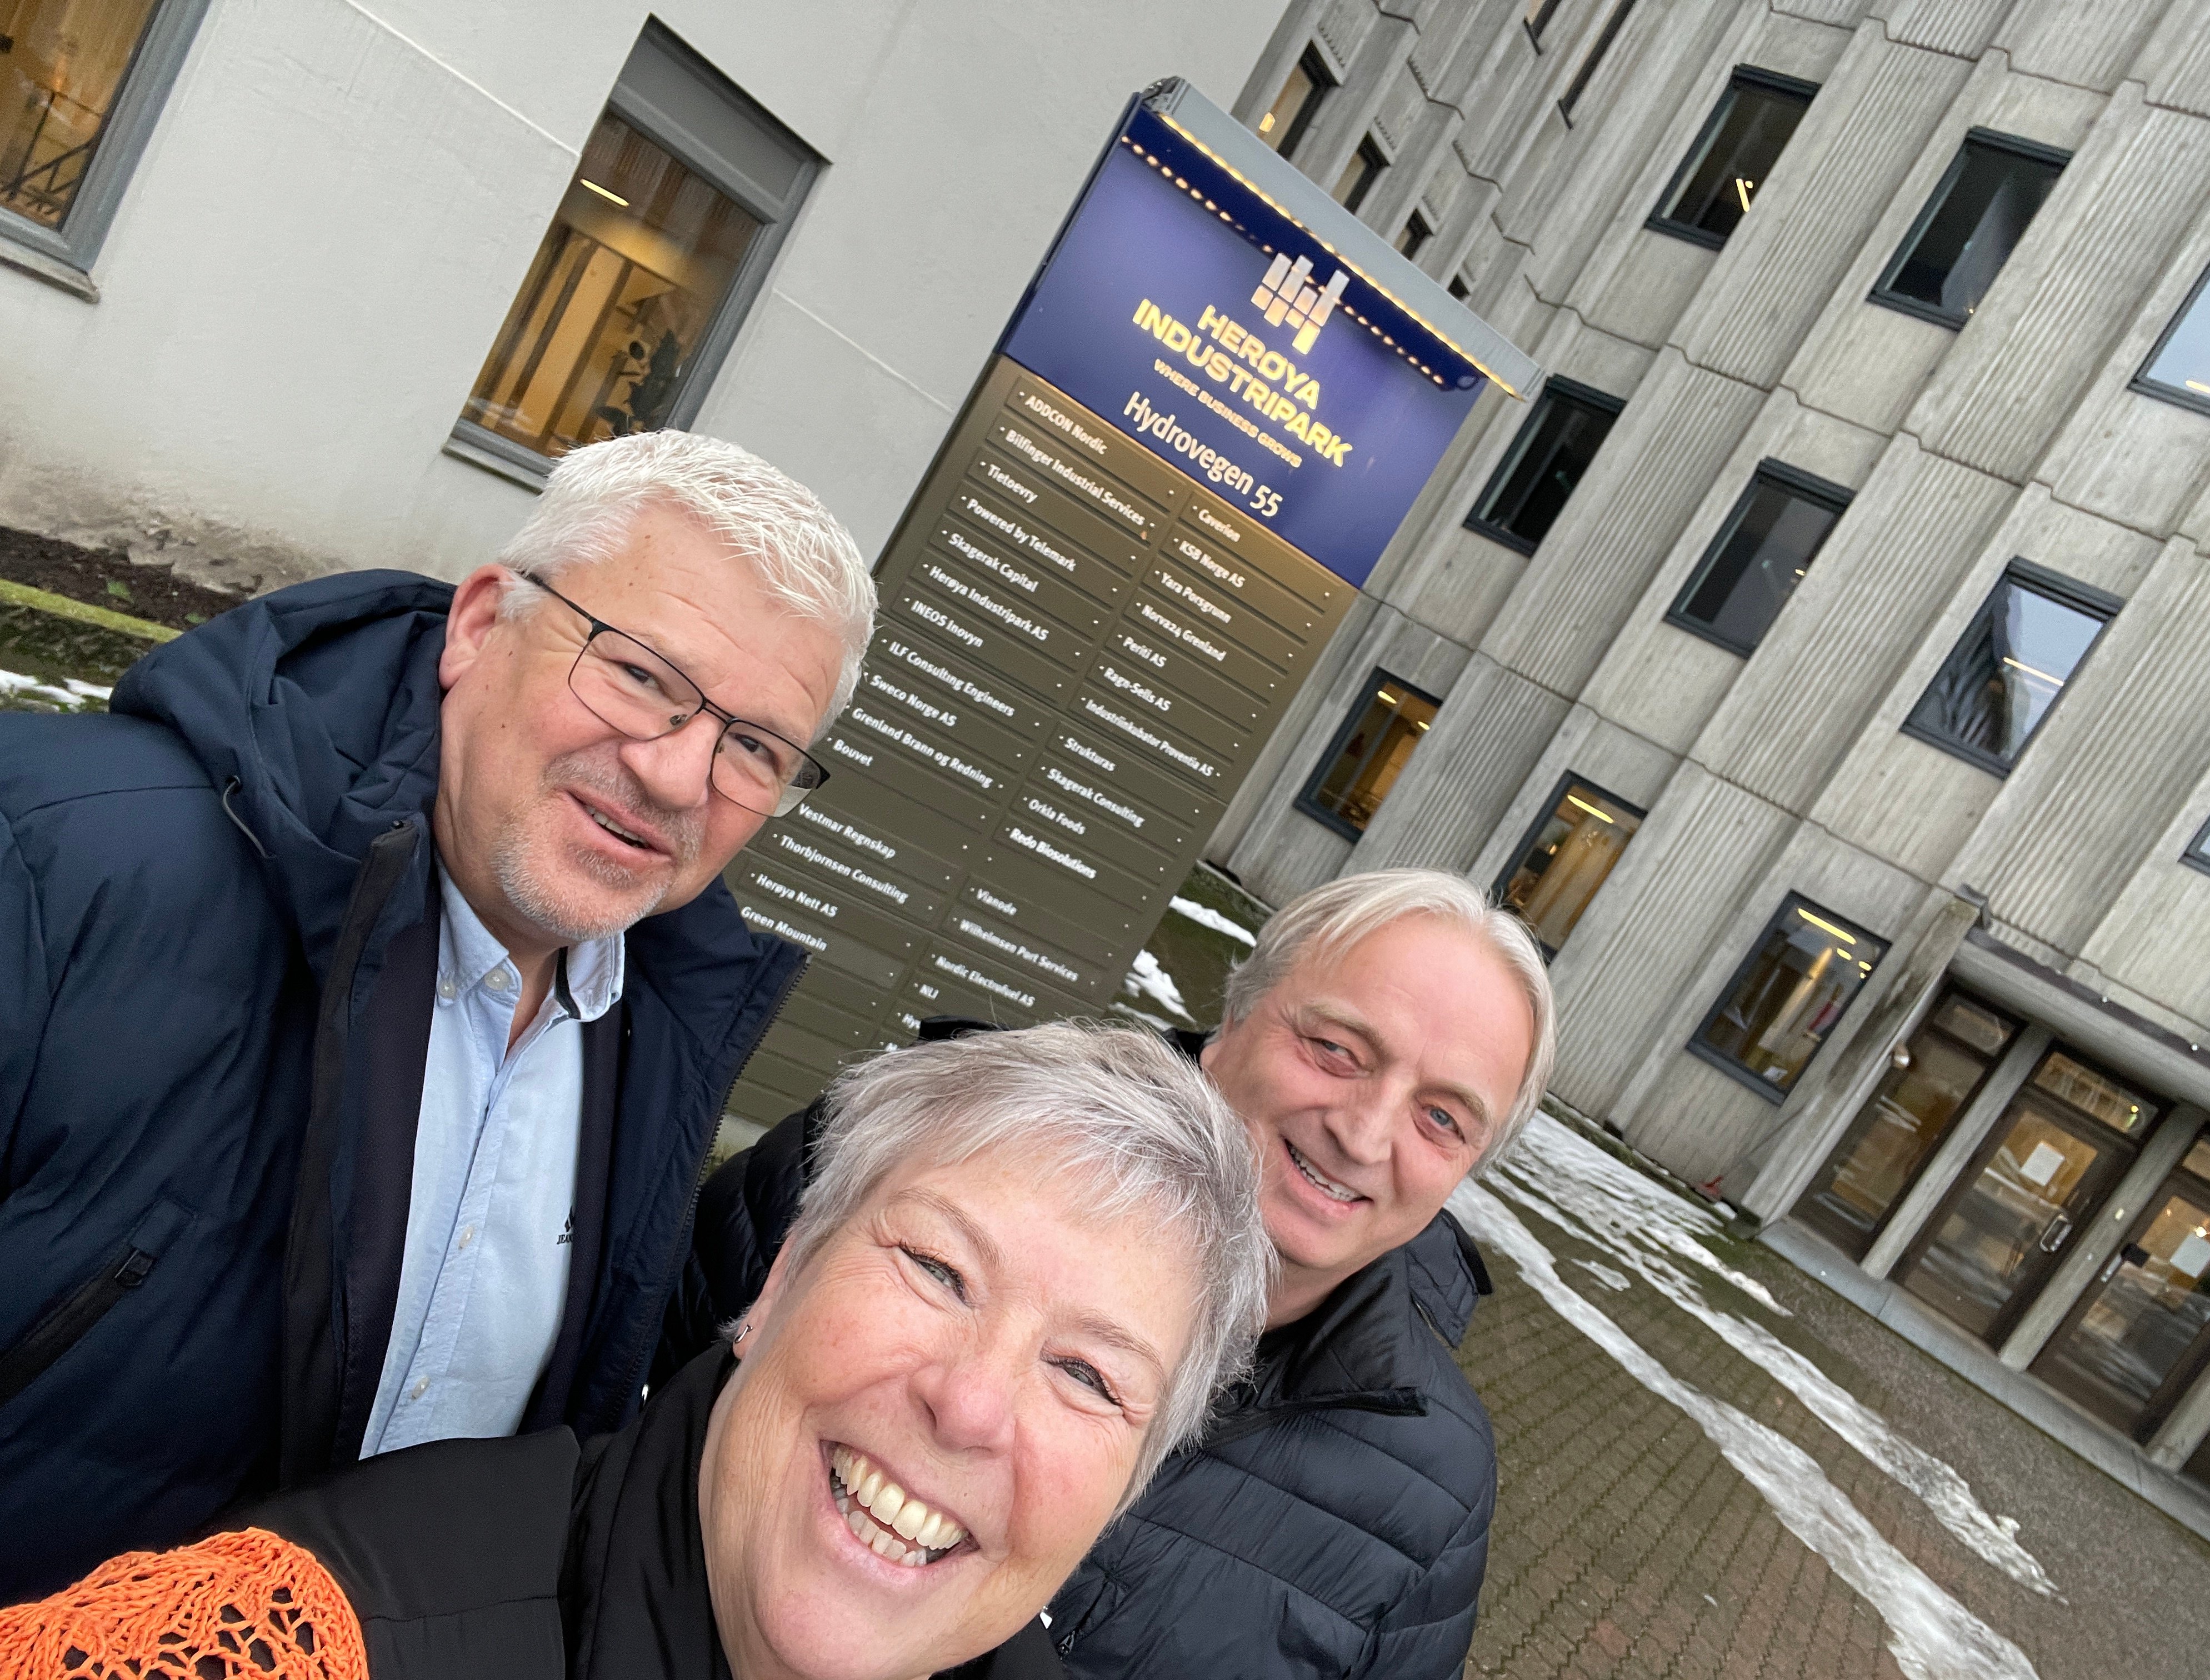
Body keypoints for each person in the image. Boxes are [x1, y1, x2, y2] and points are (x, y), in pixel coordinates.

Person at [0, 431, 876, 1603]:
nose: (677, 777)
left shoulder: (661, 1031)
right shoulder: (58, 859)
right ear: (479, 625)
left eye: (753, 748)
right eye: (639, 675)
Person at [0, 1023, 1273, 1680]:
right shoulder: (304, 1642)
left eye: (1090, 1377)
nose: (972, 1404)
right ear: (774, 1285)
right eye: (939, 1271)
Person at [662, 868, 1557, 1679]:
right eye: (1335, 1050)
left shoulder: (1432, 1485)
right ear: (1237, 1019)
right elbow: (622, 1414)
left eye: (1442, 1118)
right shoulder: (896, 1167)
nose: (1363, 1135)